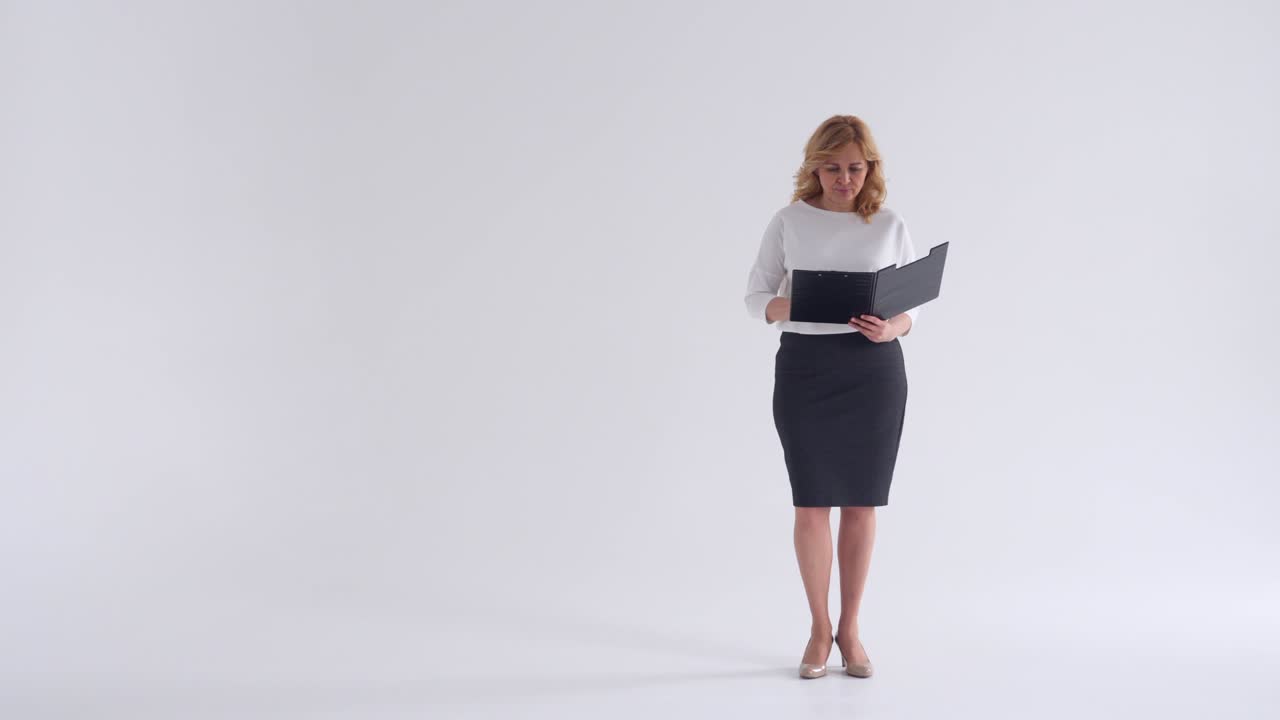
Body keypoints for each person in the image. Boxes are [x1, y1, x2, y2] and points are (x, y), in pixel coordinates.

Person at [743, 115, 922, 680]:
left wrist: (892, 328)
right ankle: (819, 629)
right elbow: (754, 297)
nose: (844, 178)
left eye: (854, 167)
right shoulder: (789, 221)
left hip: (872, 372)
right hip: (806, 370)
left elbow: (909, 308)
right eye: (832, 167)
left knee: (862, 503)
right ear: (813, 167)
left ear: (870, 169)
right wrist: (797, 306)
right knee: (812, 502)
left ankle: (851, 628)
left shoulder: (888, 224)